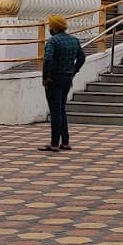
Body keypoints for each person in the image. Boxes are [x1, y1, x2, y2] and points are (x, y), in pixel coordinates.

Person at [41, 14, 86, 152]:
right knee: (61, 109)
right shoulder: (74, 40)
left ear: (54, 27)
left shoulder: (53, 42)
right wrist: (73, 71)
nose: (49, 28)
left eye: (50, 25)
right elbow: (82, 57)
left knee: (55, 110)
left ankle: (54, 143)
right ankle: (65, 141)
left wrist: (46, 77)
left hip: (54, 78)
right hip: (67, 78)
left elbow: (48, 59)